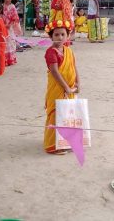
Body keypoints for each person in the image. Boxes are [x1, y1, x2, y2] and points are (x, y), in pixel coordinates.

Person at [43, 17, 79, 154]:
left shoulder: (68, 51)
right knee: (55, 115)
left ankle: (65, 142)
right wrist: (66, 87)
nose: (60, 37)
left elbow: (74, 67)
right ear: (51, 36)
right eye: (56, 34)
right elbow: (55, 72)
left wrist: (78, 83)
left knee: (67, 116)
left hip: (70, 89)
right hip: (58, 89)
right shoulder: (51, 52)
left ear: (68, 36)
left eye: (63, 34)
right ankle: (52, 146)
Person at [2, 0, 22, 66]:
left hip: (10, 27)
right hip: (3, 27)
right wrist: (3, 24)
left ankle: (11, 59)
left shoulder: (13, 6)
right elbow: (0, 15)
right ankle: (4, 59)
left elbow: (15, 17)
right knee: (4, 43)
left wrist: (9, 24)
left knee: (10, 43)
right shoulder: (1, 6)